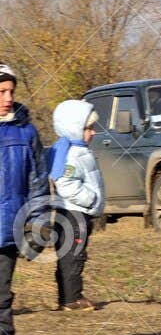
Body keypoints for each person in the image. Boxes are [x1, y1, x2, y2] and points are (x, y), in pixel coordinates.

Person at [0, 63, 48, 335]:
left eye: (11, 91)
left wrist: (37, 222)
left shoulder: (26, 132)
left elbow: (38, 182)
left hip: (6, 228)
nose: (8, 98)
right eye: (1, 92)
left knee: (1, 298)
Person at [47, 99, 103, 312]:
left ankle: (68, 297)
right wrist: (90, 199)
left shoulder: (79, 150)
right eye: (89, 128)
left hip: (77, 212)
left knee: (71, 255)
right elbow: (66, 184)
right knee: (73, 256)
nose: (93, 132)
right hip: (74, 213)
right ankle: (72, 298)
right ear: (74, 129)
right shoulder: (71, 155)